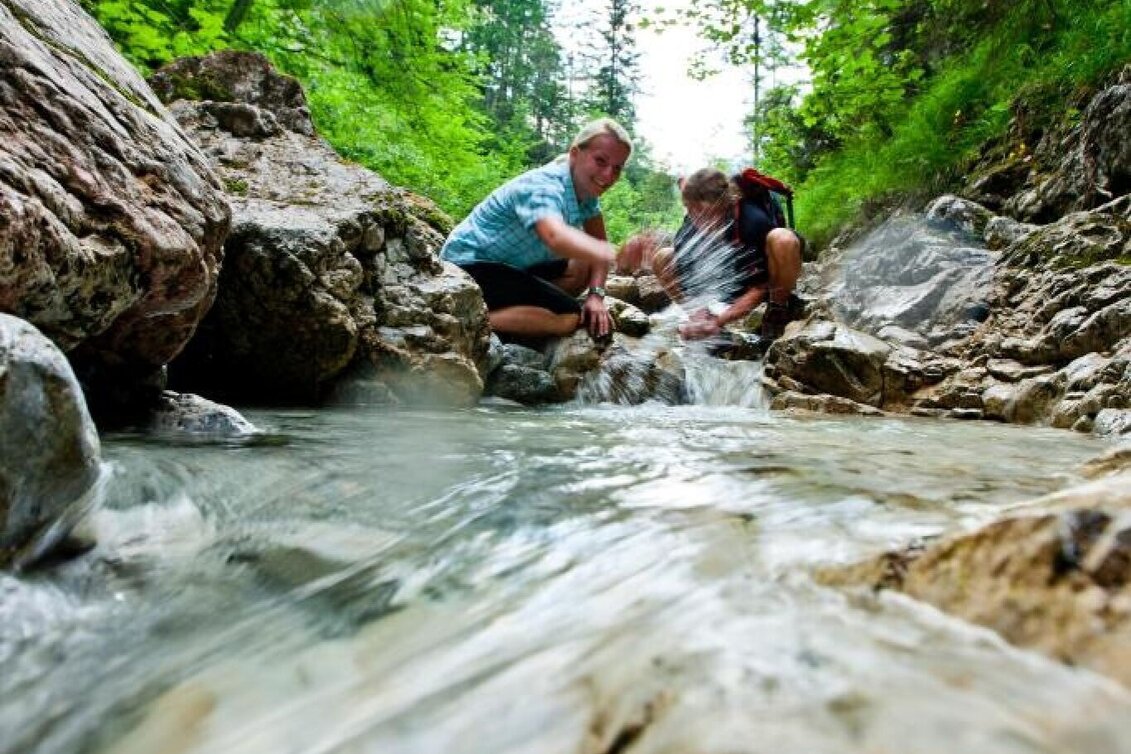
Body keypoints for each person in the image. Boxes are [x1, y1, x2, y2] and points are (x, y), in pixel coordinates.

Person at [441, 118, 633, 340]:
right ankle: (466, 320)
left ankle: (521, 314)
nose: (609, 175)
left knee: (584, 263)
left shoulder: (585, 192)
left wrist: (596, 296)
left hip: (510, 268)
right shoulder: (543, 186)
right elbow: (554, 236)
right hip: (466, 268)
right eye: (601, 161)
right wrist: (616, 253)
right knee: (569, 316)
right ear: (575, 153)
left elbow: (597, 248)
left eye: (617, 168)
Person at [625, 168, 804, 341]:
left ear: (722, 205)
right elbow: (687, 280)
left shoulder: (752, 221)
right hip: (728, 284)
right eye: (690, 210)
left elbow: (760, 287)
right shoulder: (689, 230)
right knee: (663, 257)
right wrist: (701, 318)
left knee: (783, 239)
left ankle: (778, 308)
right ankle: (699, 317)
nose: (695, 218)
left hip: (765, 281)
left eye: (700, 211)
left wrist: (719, 321)